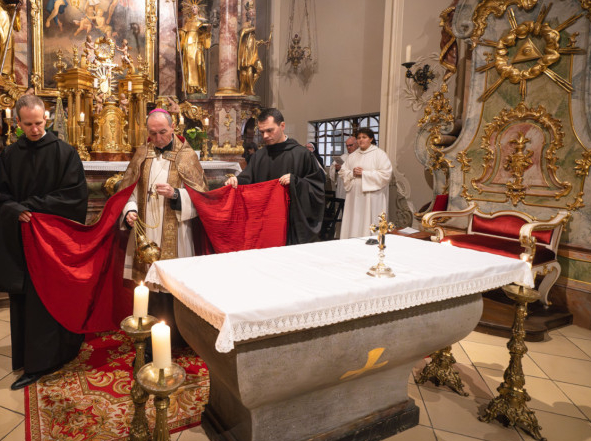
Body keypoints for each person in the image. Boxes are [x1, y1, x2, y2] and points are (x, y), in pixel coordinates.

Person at [0, 94, 88, 390]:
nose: (34, 129)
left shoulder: (65, 153)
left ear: (47, 119)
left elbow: (74, 196)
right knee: (26, 300)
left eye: (38, 123)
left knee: (51, 296)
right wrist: (14, 209)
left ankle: (58, 353)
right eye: (27, 124)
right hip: (22, 239)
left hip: (53, 240)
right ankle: (31, 360)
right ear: (18, 123)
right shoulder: (9, 155)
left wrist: (30, 206)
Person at [119, 109, 207, 342]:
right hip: (146, 229)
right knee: (148, 284)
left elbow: (201, 197)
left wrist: (176, 194)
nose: (158, 138)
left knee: (173, 284)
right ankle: (150, 337)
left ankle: (178, 336)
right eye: (153, 133)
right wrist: (130, 210)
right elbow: (129, 191)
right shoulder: (142, 154)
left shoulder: (186, 156)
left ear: (173, 128)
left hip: (177, 232)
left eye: (163, 132)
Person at [225, 108, 325, 244]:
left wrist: (296, 182)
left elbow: (317, 189)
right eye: (262, 132)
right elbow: (248, 178)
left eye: (269, 130)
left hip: (291, 225)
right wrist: (236, 180)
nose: (265, 136)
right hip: (265, 223)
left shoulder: (302, 154)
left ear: (282, 126)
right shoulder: (259, 156)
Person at [338, 127, 393, 239]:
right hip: (354, 197)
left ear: (371, 139)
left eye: (364, 137)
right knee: (354, 220)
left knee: (369, 220)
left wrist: (364, 173)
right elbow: (343, 172)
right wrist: (352, 173)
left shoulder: (379, 154)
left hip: (371, 196)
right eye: (358, 138)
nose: (361, 140)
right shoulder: (352, 156)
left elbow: (386, 174)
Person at [178, 0, 212, 95]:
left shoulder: (202, 20)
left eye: (195, 7)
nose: (193, 9)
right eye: (192, 8)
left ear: (198, 9)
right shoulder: (188, 21)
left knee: (199, 63)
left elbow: (205, 32)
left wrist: (207, 30)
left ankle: (199, 86)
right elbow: (183, 32)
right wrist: (179, 32)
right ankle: (191, 88)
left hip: (197, 43)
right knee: (189, 64)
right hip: (188, 44)